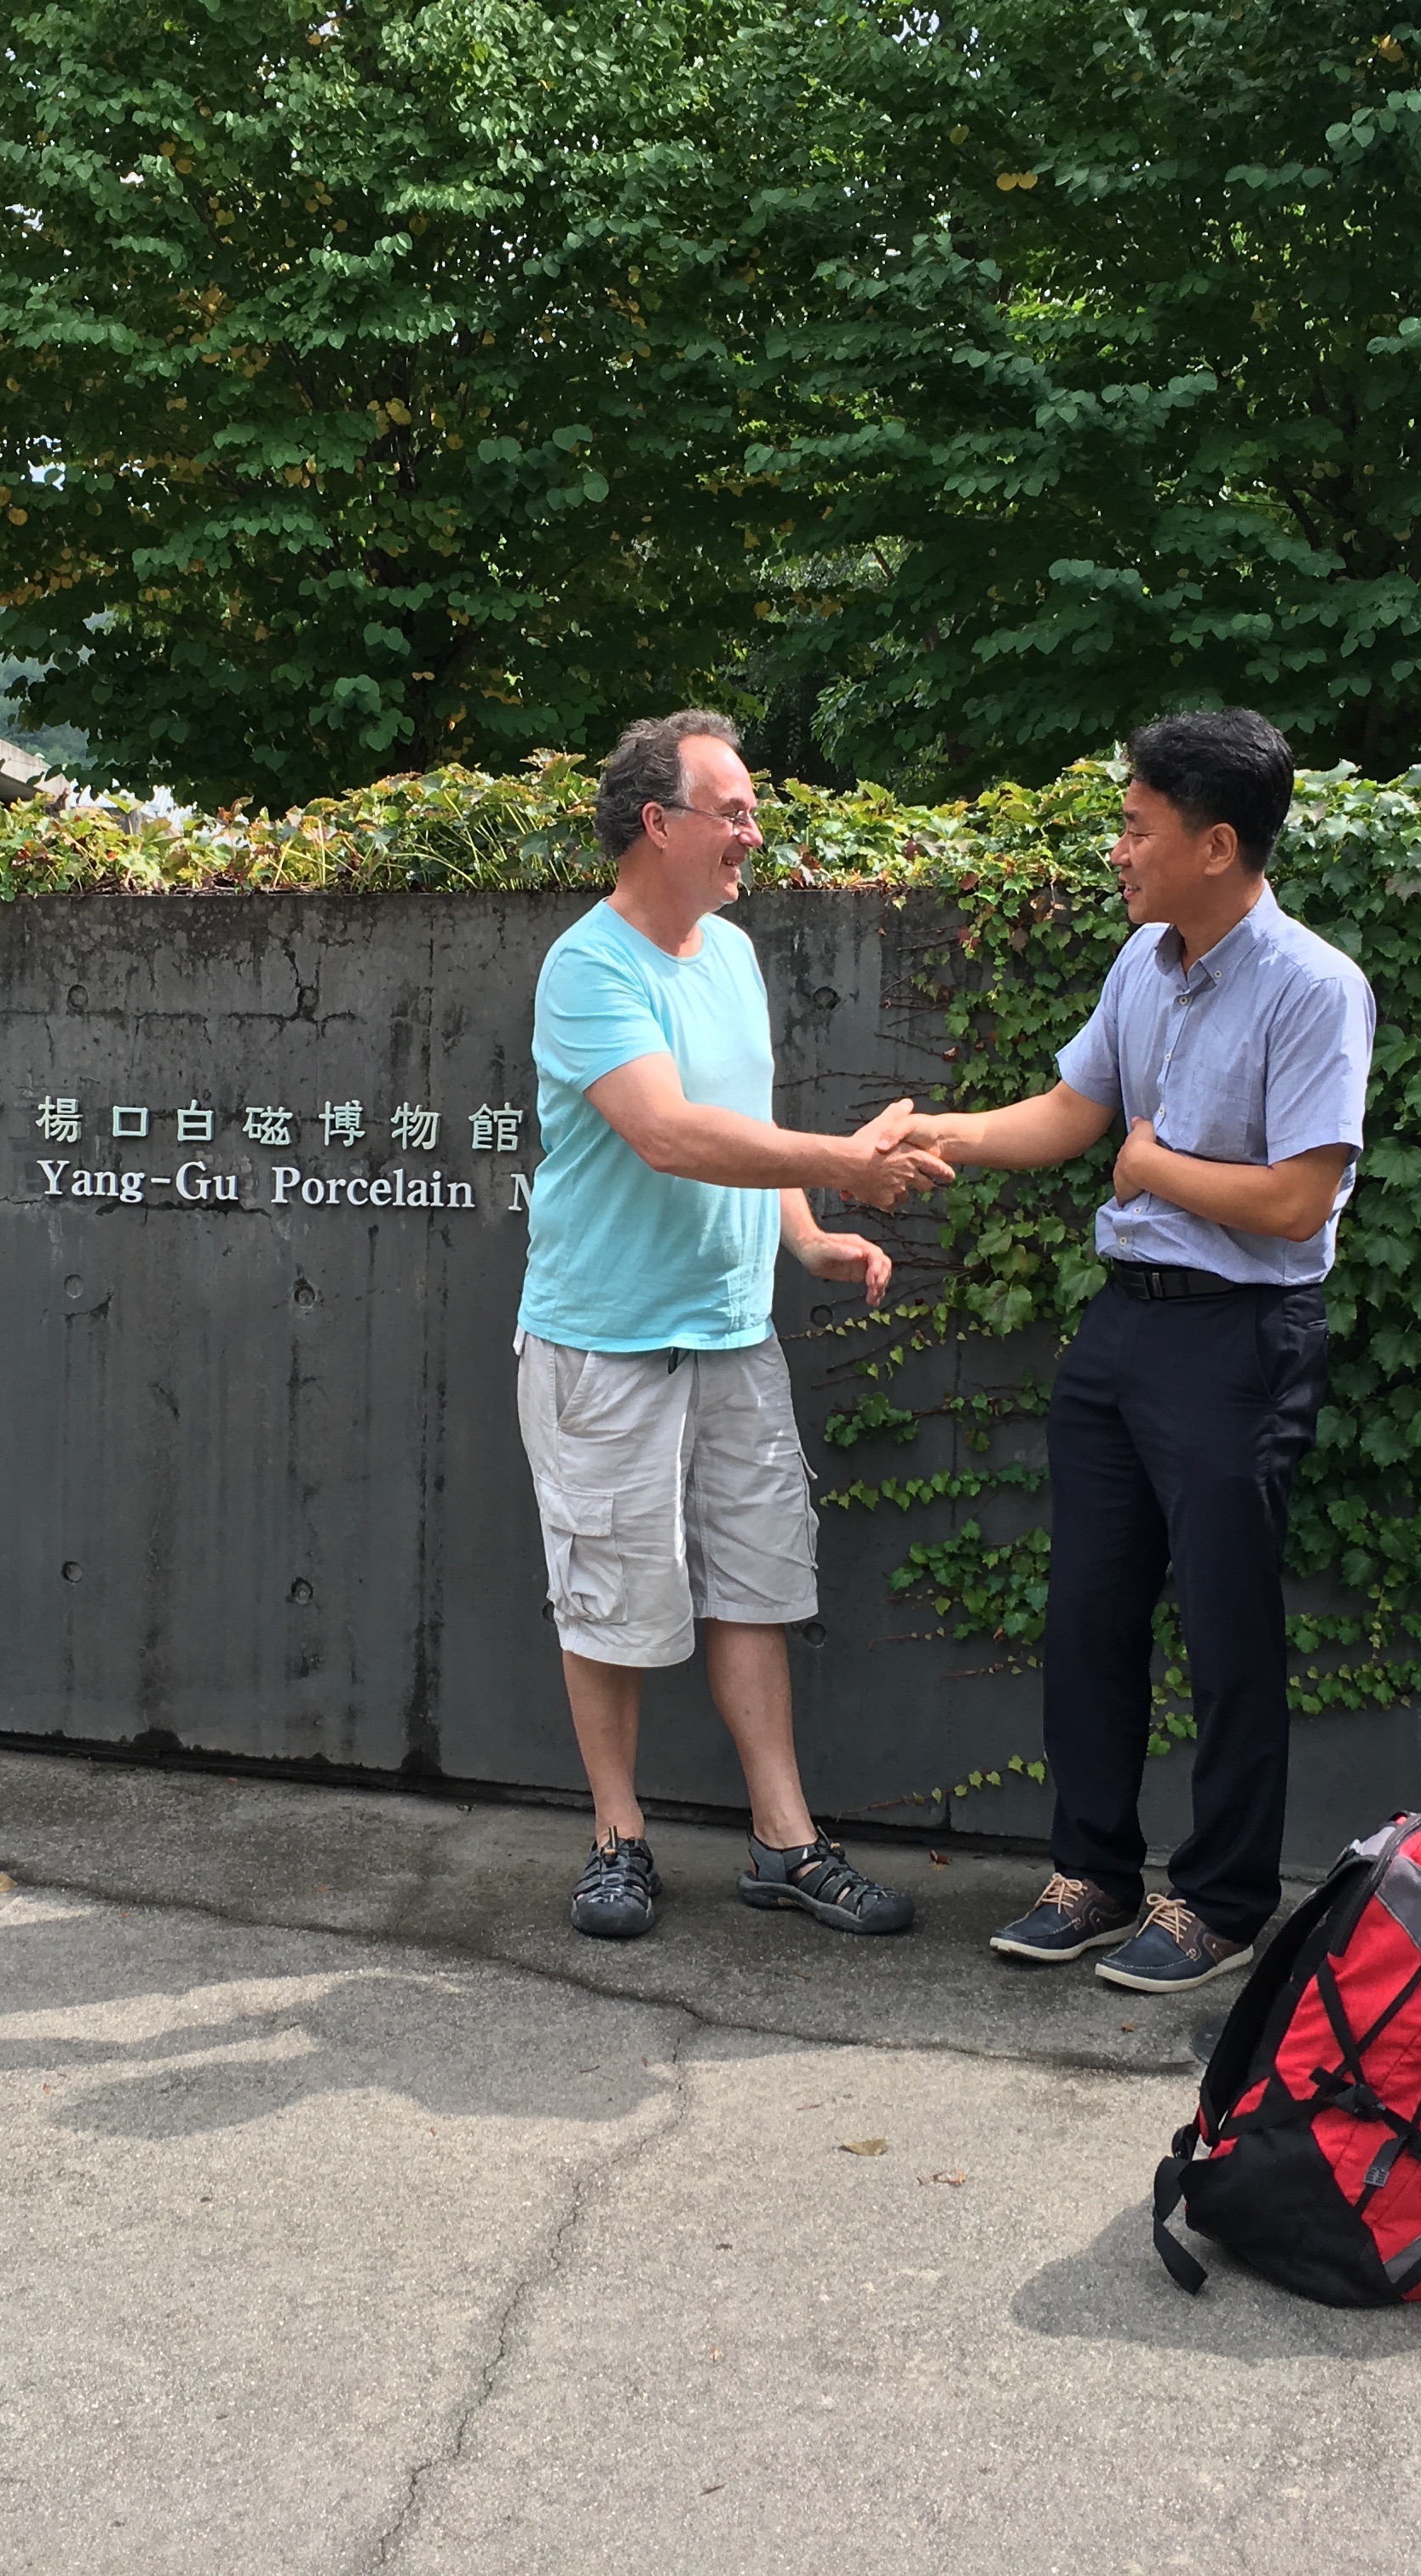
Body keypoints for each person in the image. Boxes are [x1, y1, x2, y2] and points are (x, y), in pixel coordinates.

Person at [911, 709, 1375, 1995]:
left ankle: (1221, 1902)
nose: (1118, 849)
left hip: (1241, 1339)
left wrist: (1153, 1166)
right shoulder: (1143, 965)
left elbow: (1298, 1201)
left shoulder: (1314, 988)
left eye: (1136, 827)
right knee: (1090, 1616)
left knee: (1227, 1632)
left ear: (1216, 844)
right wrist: (938, 1135)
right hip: (1124, 1329)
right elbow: (1072, 1110)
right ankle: (1095, 1876)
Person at [520, 710, 952, 1942]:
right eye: (737, 811)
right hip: (605, 1340)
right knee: (607, 1599)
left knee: (755, 1588)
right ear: (659, 823)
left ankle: (785, 1843)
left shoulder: (733, 957)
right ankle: (617, 1838)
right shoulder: (588, 968)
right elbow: (668, 1132)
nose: (755, 833)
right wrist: (847, 1162)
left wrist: (808, 1237)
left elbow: (745, 1129)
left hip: (730, 1334)